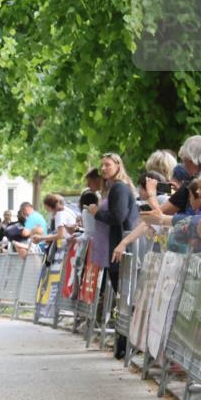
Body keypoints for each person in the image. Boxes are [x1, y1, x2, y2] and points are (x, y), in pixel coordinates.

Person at [88, 152, 139, 359]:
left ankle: (125, 343)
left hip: (119, 249)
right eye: (102, 165)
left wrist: (96, 213)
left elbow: (118, 216)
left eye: (107, 165)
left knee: (124, 297)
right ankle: (123, 342)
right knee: (122, 298)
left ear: (118, 165)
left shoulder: (119, 188)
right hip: (115, 249)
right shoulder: (114, 188)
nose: (103, 169)